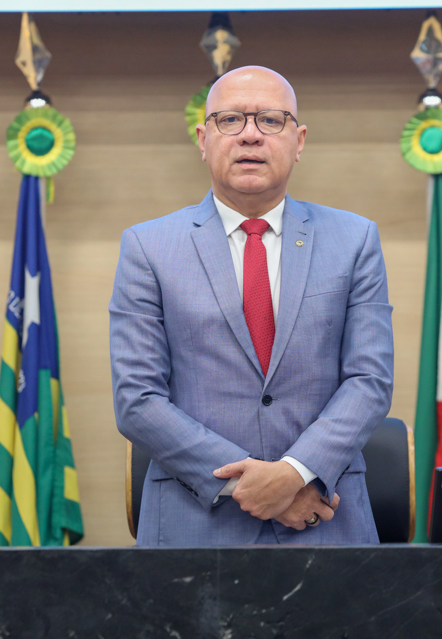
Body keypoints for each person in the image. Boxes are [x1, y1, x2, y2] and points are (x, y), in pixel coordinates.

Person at [109, 66, 393, 546]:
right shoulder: (147, 247)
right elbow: (137, 400)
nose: (250, 136)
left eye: (270, 121)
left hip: (323, 521)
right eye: (230, 121)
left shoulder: (355, 239)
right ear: (203, 139)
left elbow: (370, 380)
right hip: (194, 527)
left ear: (299, 140)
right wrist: (253, 487)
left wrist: (295, 474)